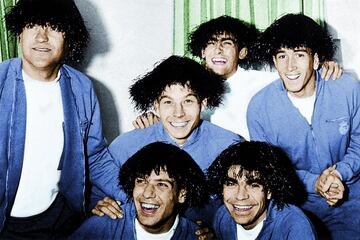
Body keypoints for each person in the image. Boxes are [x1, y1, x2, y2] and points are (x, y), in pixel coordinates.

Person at [0, 0, 114, 238]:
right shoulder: (1, 80)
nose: (42, 37)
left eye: (54, 27)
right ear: (20, 33)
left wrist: (135, 193)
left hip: (59, 222)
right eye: (33, 25)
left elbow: (94, 157)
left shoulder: (82, 88)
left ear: (68, 37)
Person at [133, 15, 342, 140]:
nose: (218, 50)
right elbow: (173, 115)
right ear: (202, 51)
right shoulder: (187, 87)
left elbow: (298, 79)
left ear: (241, 52)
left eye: (227, 43)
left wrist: (322, 67)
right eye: (211, 43)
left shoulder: (262, 81)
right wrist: (152, 119)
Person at [247, 13, 360, 239]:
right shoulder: (259, 107)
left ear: (316, 59)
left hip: (352, 197)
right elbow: (270, 169)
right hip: (298, 204)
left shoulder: (347, 89)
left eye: (299, 54)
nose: (290, 66)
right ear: (273, 61)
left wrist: (339, 173)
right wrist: (313, 182)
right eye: (282, 56)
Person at [91, 55, 241, 224]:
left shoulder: (228, 145)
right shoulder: (127, 145)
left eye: (188, 101)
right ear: (156, 105)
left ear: (203, 103)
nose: (179, 113)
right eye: (168, 102)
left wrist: (216, 229)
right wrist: (100, 205)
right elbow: (96, 194)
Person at [72, 142, 209, 239]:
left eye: (161, 184)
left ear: (181, 194)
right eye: (141, 181)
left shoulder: (197, 236)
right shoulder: (102, 228)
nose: (147, 193)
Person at [207, 141, 316, 239]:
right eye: (231, 184)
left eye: (253, 185)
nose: (240, 196)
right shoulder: (222, 217)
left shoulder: (294, 225)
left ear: (269, 191)